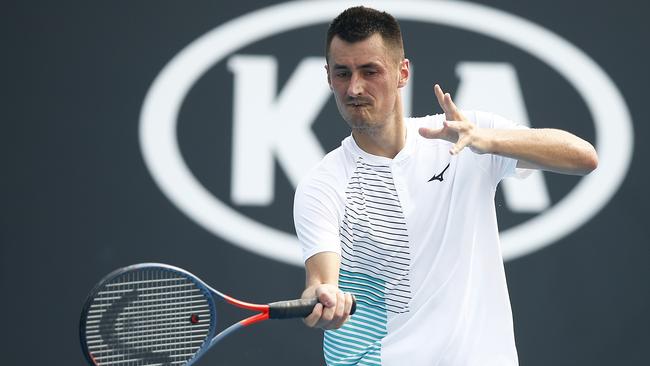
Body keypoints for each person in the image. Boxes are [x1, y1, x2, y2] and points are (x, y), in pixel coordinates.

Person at [293, 6, 598, 366]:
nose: (354, 87)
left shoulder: (467, 134)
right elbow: (321, 282)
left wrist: (489, 140)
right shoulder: (322, 184)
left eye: (370, 71)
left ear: (401, 72)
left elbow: (583, 157)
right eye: (342, 73)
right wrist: (326, 299)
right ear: (329, 77)